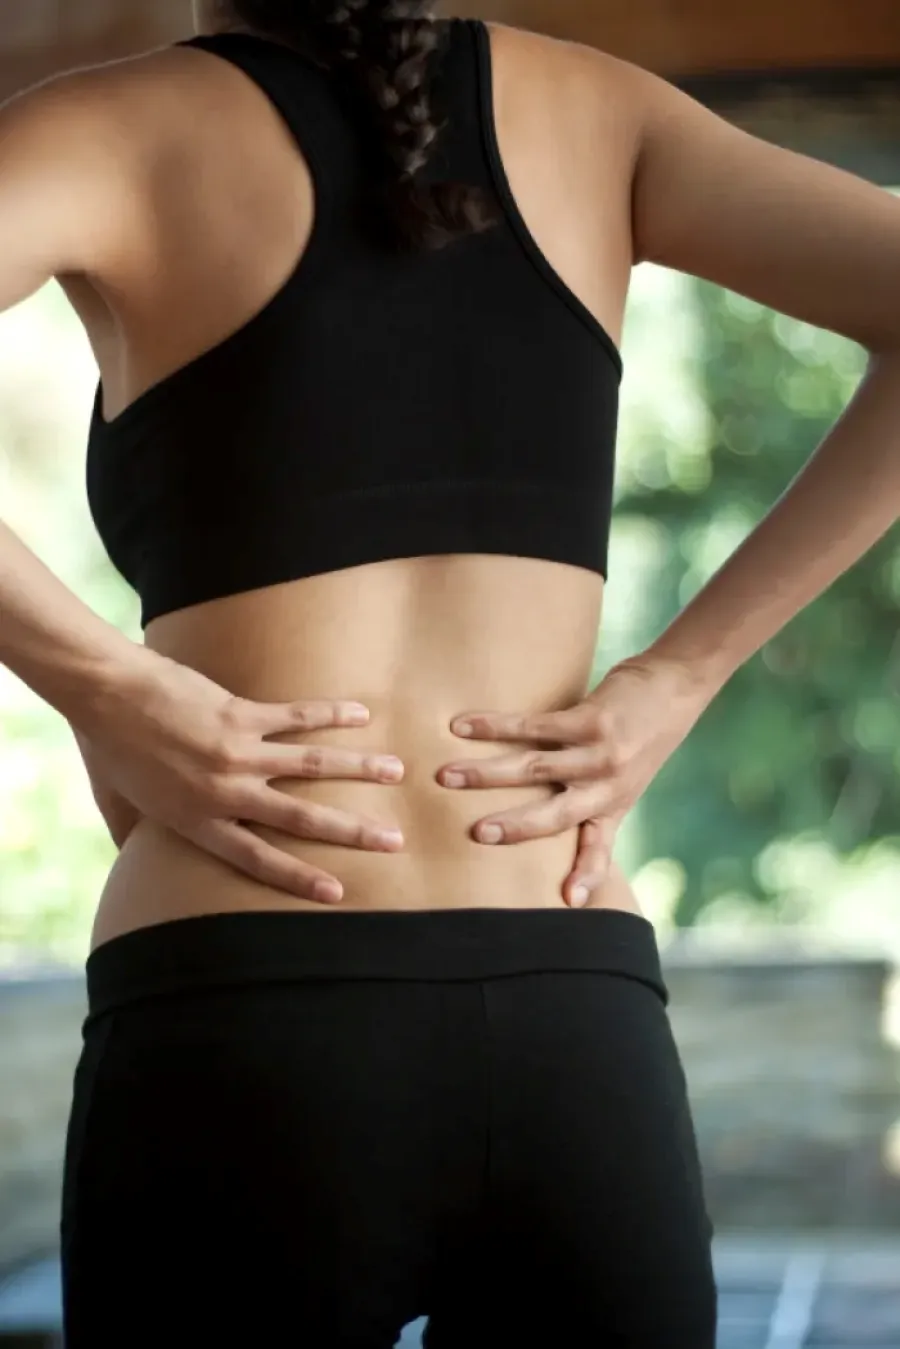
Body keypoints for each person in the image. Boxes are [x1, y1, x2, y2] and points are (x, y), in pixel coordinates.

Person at [2, 0, 899, 1342]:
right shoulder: (602, 111)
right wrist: (683, 672)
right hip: (572, 1017)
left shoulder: (109, 128)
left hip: (245, 1015)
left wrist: (102, 683)